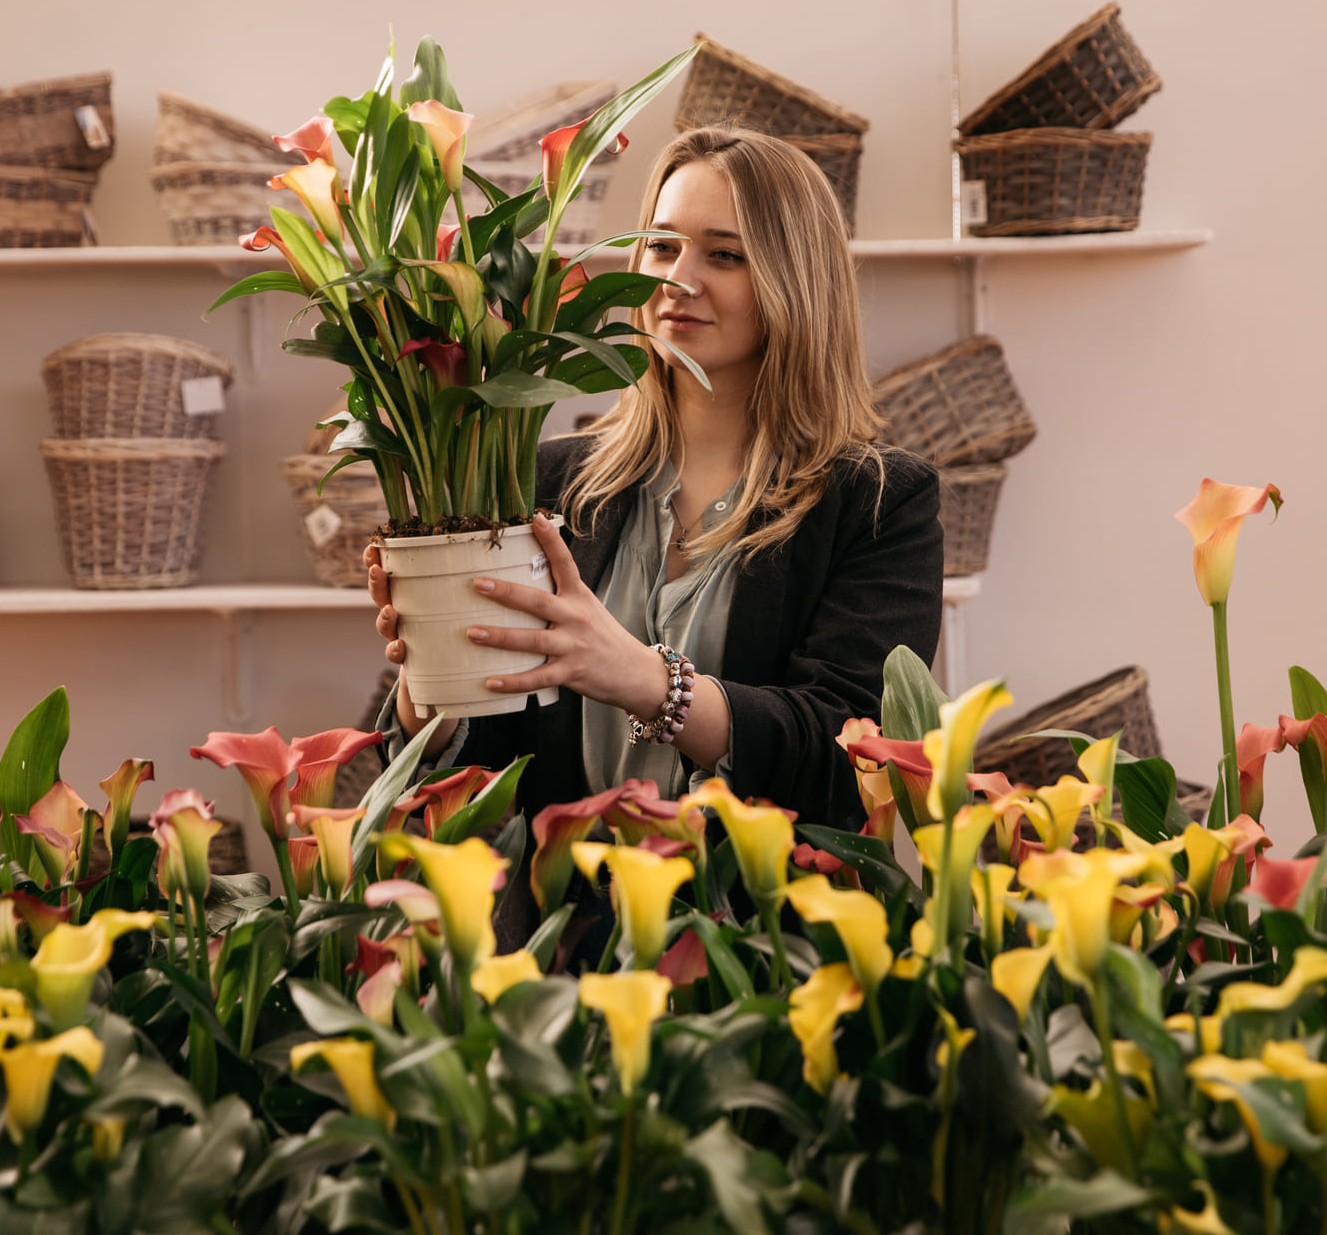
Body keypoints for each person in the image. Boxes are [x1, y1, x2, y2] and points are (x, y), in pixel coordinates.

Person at [365, 125, 943, 844]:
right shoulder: (553, 481)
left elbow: (850, 757)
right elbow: (474, 770)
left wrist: (647, 681)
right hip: (566, 935)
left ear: (797, 281)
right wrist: (434, 682)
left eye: (724, 254)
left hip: (770, 937)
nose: (676, 279)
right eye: (662, 246)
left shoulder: (879, 502)